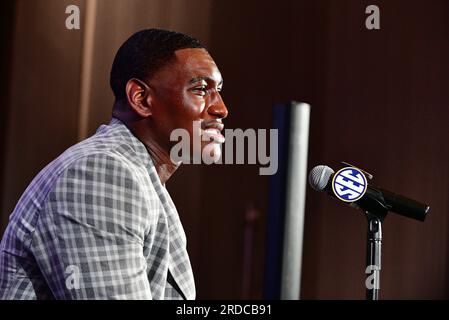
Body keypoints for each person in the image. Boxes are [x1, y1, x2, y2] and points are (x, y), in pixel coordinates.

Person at [0, 28, 228, 299]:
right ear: (141, 99)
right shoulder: (101, 172)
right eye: (201, 89)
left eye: (219, 91)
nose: (221, 108)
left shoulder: (141, 175)